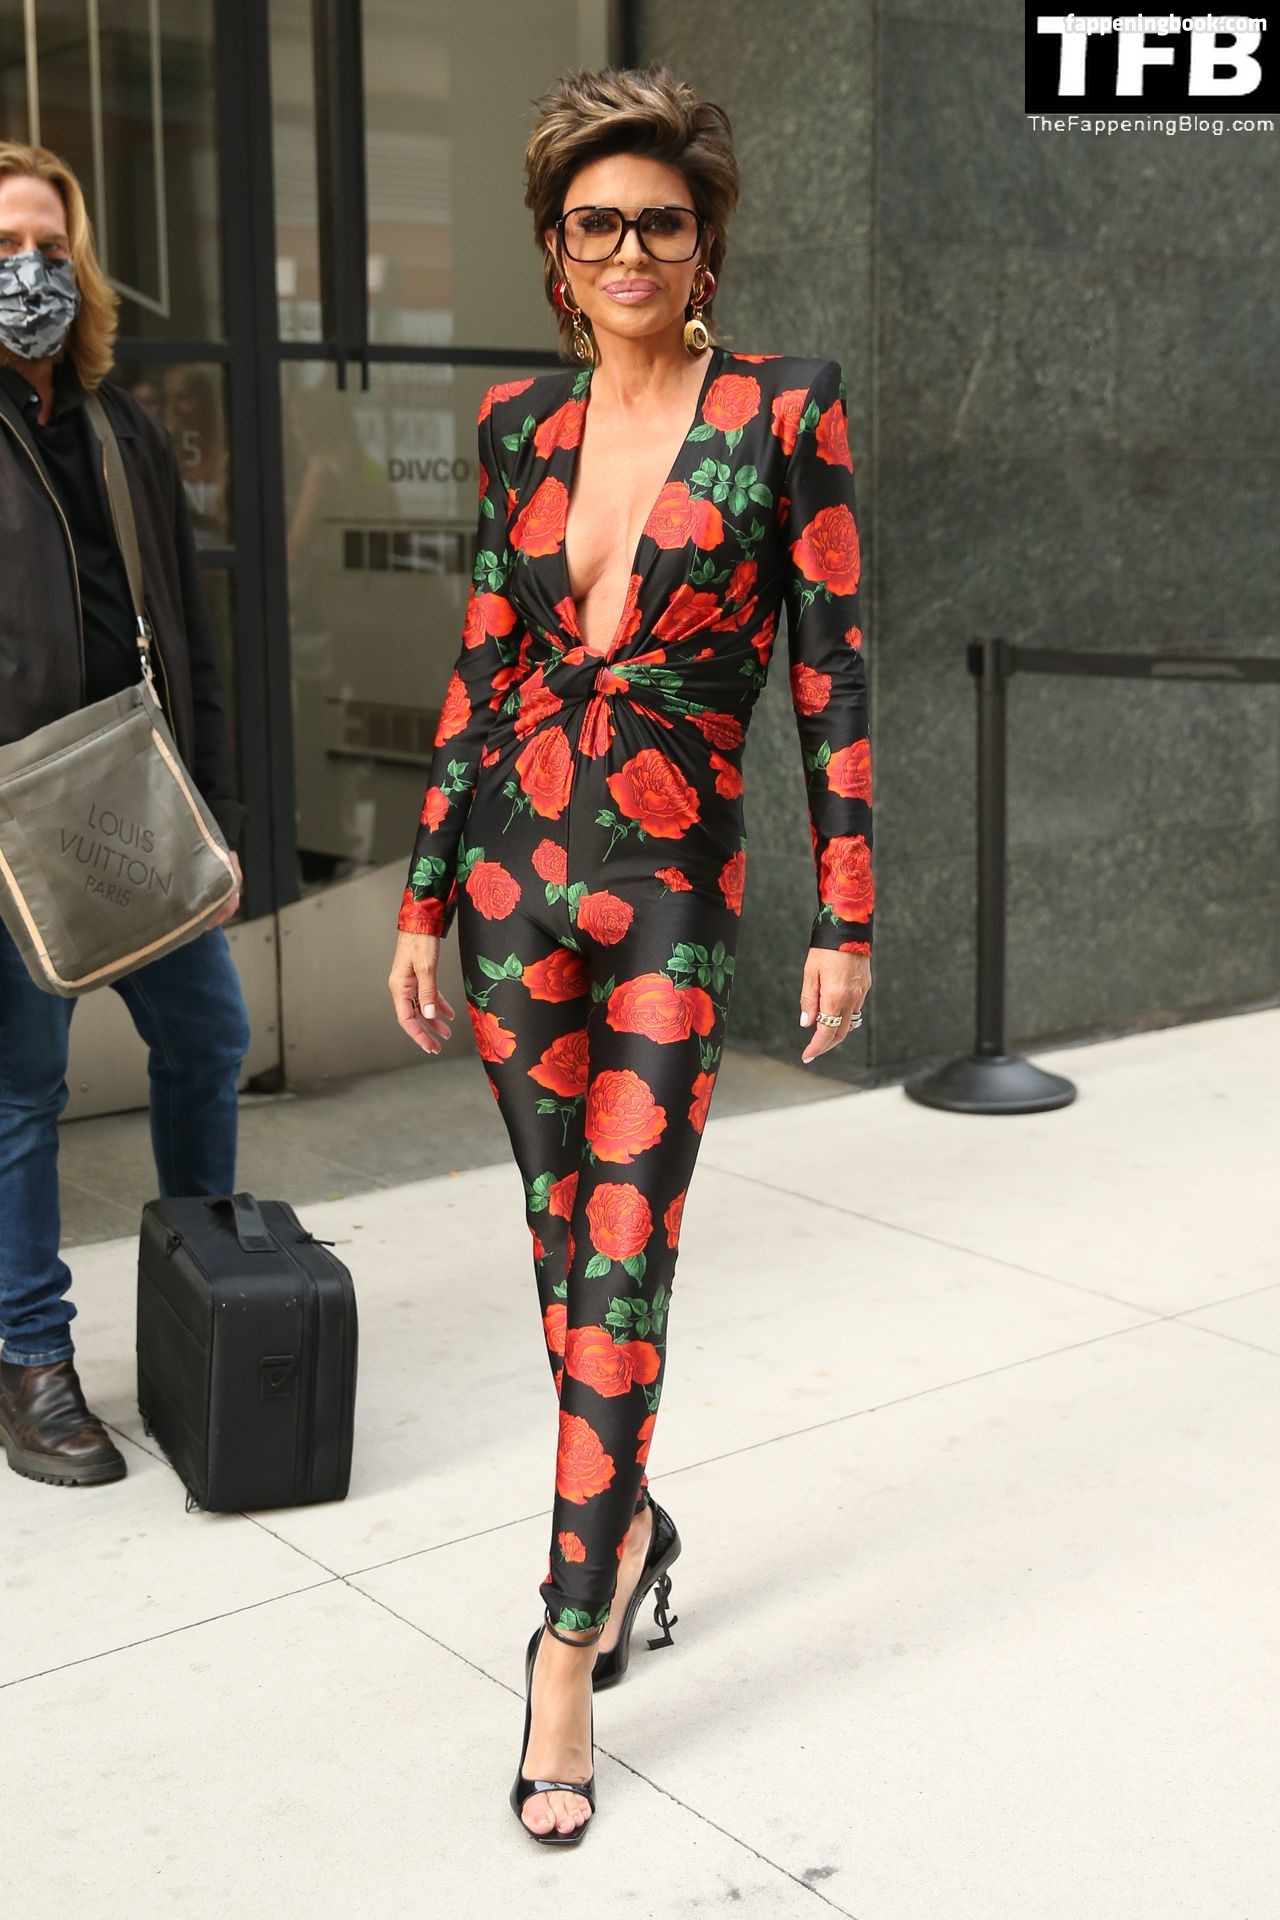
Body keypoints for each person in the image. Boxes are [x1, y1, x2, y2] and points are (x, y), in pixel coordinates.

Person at [386, 64, 874, 1844]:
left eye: (661, 221)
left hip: (671, 890)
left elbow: (832, 672)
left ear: (706, 240)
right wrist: (424, 891)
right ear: (555, 249)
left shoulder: (784, 409)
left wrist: (847, 911)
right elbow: (483, 660)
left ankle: (565, 1647)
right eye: (597, 223)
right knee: (560, 1257)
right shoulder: (520, 422)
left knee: (623, 1257)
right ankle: (637, 1524)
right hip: (509, 884)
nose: (630, 251)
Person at [0, 143, 249, 1487]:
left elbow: (186, 632)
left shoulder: (119, 425)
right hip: (10, 816)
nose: (28, 272)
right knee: (20, 1093)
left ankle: (202, 1286)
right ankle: (29, 1358)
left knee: (208, 1036)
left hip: (137, 791)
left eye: (48, 248)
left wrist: (213, 809)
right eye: (3, 249)